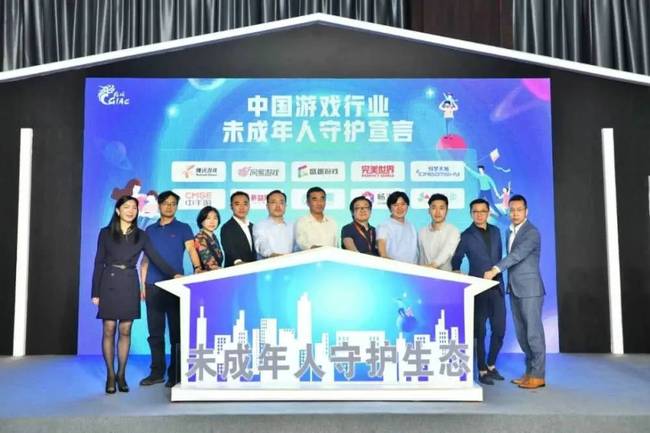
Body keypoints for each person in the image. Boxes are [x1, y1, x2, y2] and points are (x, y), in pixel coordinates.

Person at [91, 195, 178, 394]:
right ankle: (110, 375)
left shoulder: (141, 235)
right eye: (127, 207)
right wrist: (95, 292)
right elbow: (98, 262)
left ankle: (121, 375)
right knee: (109, 329)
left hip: (130, 282)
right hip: (109, 282)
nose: (131, 211)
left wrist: (174, 274)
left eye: (134, 207)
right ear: (118, 210)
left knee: (125, 330)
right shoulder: (105, 233)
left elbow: (156, 258)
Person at [140, 190, 202, 388]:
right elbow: (145, 260)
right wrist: (142, 285)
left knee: (177, 332)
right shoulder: (149, 230)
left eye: (173, 203)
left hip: (176, 286)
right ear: (159, 205)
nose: (169, 206)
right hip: (153, 286)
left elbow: (191, 250)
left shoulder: (183, 227)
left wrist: (197, 268)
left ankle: (176, 373)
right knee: (155, 333)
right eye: (166, 203)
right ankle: (156, 372)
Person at [484, 195, 546, 389]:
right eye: (512, 210)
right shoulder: (509, 231)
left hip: (530, 290)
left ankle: (538, 375)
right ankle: (530, 373)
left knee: (533, 334)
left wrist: (495, 269)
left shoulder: (532, 232)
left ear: (526, 211)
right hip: (515, 288)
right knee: (522, 334)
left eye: (519, 210)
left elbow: (516, 255)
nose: (515, 213)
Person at [451, 198, 505, 385]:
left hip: (497, 286)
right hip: (478, 288)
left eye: (483, 211)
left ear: (488, 212)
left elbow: (499, 258)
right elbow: (457, 258)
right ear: (471, 214)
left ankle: (491, 364)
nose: (479, 214)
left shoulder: (496, 232)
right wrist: (457, 271)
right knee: (479, 332)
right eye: (475, 211)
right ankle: (481, 370)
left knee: (499, 329)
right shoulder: (466, 235)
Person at [418, 193, 460, 271]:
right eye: (434, 208)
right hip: (424, 275)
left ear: (447, 211)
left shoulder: (453, 231)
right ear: (429, 210)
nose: (437, 212)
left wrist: (432, 266)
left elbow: (446, 252)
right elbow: (421, 257)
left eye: (441, 208)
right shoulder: (422, 232)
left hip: (445, 276)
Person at [377, 191, 418, 264]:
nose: (400, 208)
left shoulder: (411, 226)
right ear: (390, 208)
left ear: (407, 206)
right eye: (395, 205)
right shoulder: (384, 226)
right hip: (394, 269)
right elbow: (382, 251)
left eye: (403, 204)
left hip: (413, 269)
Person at [253, 190, 294, 258]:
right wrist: (271, 254)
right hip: (270, 263)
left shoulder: (292, 225)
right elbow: (261, 243)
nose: (278, 206)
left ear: (285, 206)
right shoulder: (260, 225)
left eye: (281, 202)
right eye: (273, 202)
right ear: (267, 206)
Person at [221, 191, 257, 266]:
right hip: (235, 270)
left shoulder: (253, 227)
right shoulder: (226, 227)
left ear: (249, 206)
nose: (242, 207)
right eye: (237, 204)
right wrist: (238, 261)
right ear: (231, 206)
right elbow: (229, 248)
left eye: (245, 204)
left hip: (253, 270)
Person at [194, 206, 224, 270]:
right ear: (201, 221)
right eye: (208, 218)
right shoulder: (199, 238)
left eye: (215, 218)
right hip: (206, 275)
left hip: (217, 274)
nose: (212, 222)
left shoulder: (213, 237)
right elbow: (210, 265)